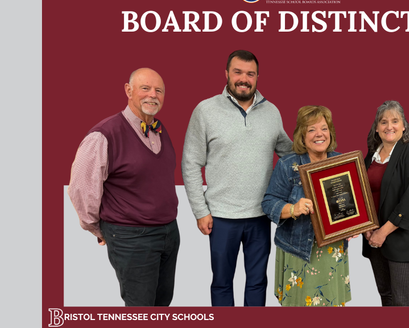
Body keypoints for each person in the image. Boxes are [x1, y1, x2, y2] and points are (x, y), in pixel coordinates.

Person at [182, 50, 293, 306]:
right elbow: (190, 163)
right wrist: (200, 211)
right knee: (222, 282)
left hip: (260, 216)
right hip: (221, 217)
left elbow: (290, 153)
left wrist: (325, 155)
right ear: (227, 74)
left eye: (250, 74)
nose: (244, 79)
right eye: (238, 72)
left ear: (257, 77)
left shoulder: (272, 112)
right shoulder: (205, 110)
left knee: (257, 282)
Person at [67, 68, 180, 306]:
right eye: (145, 88)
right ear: (128, 91)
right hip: (132, 237)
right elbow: (81, 188)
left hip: (168, 233)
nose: (153, 95)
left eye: (159, 90)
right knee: (140, 309)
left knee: (162, 304)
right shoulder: (104, 134)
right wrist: (99, 229)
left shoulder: (160, 129)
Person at [262, 105, 352, 307]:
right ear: (302, 136)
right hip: (298, 250)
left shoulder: (342, 163)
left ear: (330, 133)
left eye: (324, 128)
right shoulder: (288, 165)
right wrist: (293, 209)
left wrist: (355, 225)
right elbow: (268, 203)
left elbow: (351, 206)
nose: (319, 134)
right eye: (311, 129)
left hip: (333, 251)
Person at [361, 100, 409, 306]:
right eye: (383, 122)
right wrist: (367, 227)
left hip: (401, 237)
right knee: (386, 295)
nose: (388, 126)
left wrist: (383, 232)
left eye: (394, 121)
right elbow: (362, 195)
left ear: (403, 126)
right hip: (373, 237)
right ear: (376, 128)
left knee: (400, 300)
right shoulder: (370, 157)